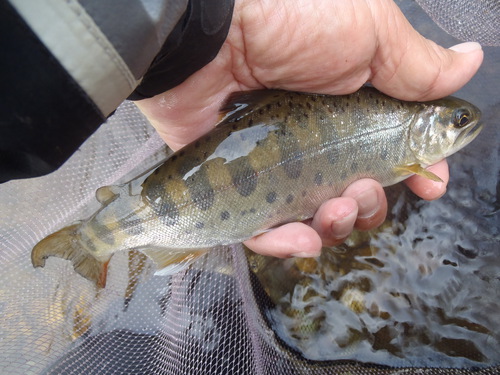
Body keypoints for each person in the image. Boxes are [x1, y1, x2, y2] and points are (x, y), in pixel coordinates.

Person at [2, 0, 483, 259]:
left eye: (459, 121)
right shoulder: (410, 157)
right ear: (426, 126)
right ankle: (95, 240)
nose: (467, 124)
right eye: (457, 121)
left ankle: (104, 236)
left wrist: (204, 32)